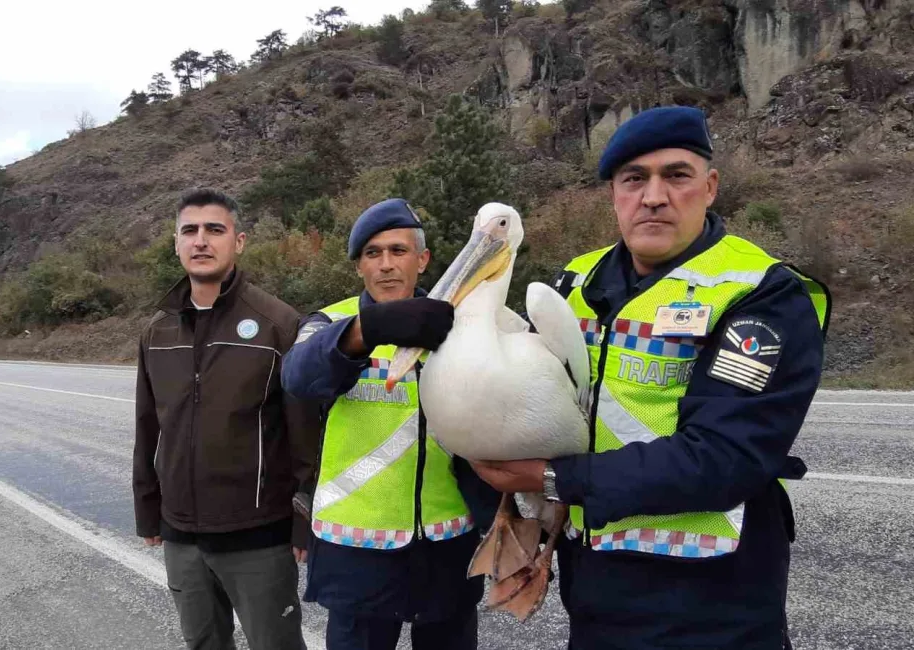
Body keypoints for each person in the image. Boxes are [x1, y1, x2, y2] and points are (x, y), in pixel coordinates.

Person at [464, 106, 830, 648]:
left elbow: (726, 456)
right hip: (596, 588)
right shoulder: (576, 282)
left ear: (710, 187)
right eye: (634, 179)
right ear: (614, 194)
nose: (653, 196)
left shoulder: (760, 293)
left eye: (676, 176)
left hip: (709, 597)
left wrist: (551, 479)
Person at [281, 198, 498, 650]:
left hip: (448, 541)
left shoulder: (463, 327)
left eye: (398, 251)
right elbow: (299, 376)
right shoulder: (330, 322)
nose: (385, 265)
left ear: (422, 261)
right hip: (357, 547)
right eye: (372, 253)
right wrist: (369, 330)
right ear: (358, 265)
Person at [132, 188, 321, 650]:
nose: (201, 241)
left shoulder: (278, 323)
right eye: (189, 231)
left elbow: (305, 435)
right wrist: (148, 510)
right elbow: (146, 427)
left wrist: (303, 517)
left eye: (214, 230)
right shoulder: (157, 331)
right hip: (181, 535)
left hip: (258, 535)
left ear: (238, 241)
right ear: (175, 243)